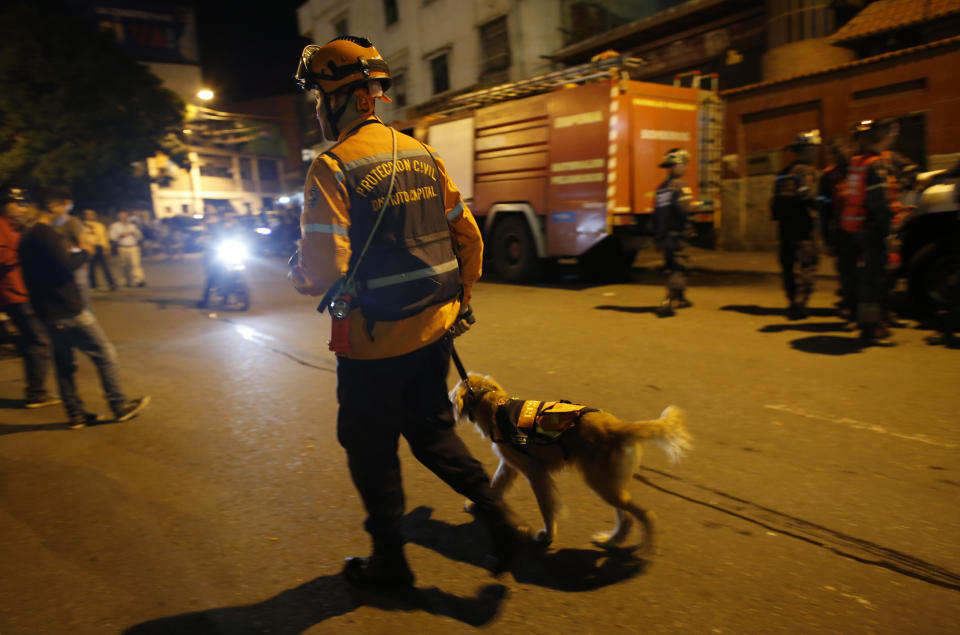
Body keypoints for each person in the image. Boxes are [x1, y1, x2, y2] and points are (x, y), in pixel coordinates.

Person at [289, 36, 520, 588]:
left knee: (369, 448)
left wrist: (297, 272)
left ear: (340, 98)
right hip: (432, 334)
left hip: (372, 347)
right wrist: (462, 300)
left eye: (318, 97)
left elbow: (322, 271)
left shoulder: (332, 167)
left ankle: (390, 566)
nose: (317, 109)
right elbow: (468, 236)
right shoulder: (422, 152)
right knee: (434, 434)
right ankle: (498, 517)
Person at [18, 190, 150, 428]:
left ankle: (75, 414)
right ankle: (119, 405)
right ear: (54, 206)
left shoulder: (26, 236)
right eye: (66, 209)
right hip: (68, 308)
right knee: (105, 353)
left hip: (46, 311)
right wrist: (85, 253)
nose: (67, 215)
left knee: (64, 364)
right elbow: (66, 265)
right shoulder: (45, 233)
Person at [841, 119, 900, 344]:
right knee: (875, 280)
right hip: (872, 229)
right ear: (885, 136)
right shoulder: (876, 164)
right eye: (892, 133)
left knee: (868, 279)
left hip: (858, 227)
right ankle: (871, 328)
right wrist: (890, 235)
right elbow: (879, 204)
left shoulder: (859, 161)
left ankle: (870, 324)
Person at [0, 185, 59, 409]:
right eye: (17, 204)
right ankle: (36, 393)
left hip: (24, 291)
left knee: (29, 341)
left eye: (24, 204)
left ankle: (35, 389)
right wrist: (25, 251)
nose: (22, 209)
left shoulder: (16, 228)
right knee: (39, 340)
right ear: (5, 205)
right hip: (14, 294)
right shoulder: (2, 227)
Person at [771, 130, 821, 319]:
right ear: (805, 150)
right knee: (807, 265)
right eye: (813, 149)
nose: (815, 153)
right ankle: (800, 302)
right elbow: (811, 197)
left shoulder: (782, 174)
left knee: (788, 267)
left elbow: (775, 203)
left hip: (785, 229)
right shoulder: (807, 172)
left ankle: (792, 300)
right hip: (803, 229)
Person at [818, 136, 857, 325]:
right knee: (846, 273)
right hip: (842, 233)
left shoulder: (861, 170)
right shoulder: (828, 176)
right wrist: (826, 237)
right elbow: (824, 210)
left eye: (841, 149)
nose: (838, 155)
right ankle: (849, 307)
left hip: (864, 231)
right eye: (834, 153)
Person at [651, 148, 694, 317]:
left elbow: (656, 214)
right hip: (678, 234)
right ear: (675, 166)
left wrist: (657, 238)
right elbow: (684, 210)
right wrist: (695, 207)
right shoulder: (680, 186)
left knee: (674, 264)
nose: (685, 168)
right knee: (680, 267)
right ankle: (668, 301)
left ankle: (681, 298)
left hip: (665, 235)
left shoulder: (661, 188)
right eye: (683, 164)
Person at [197, 209, 243, 308]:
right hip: (216, 252)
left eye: (229, 215)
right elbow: (206, 237)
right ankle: (204, 300)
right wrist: (204, 241)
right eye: (225, 215)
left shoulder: (234, 226)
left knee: (239, 269)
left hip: (232, 251)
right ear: (221, 216)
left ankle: (233, 292)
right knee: (212, 276)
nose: (227, 217)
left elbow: (241, 236)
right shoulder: (213, 226)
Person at [82, 209, 117, 290]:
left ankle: (112, 284)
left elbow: (104, 238)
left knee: (105, 266)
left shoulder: (100, 226)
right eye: (87, 214)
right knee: (91, 267)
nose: (89, 216)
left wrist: (107, 249)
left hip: (99, 247)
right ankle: (93, 284)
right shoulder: (82, 226)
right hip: (89, 247)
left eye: (91, 214)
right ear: (84, 216)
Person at [108, 211, 145, 287]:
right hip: (122, 247)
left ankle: (139, 280)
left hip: (133, 246)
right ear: (118, 217)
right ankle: (127, 281)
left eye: (125, 216)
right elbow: (111, 237)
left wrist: (135, 234)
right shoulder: (115, 226)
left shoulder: (132, 226)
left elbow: (140, 236)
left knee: (135, 264)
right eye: (121, 216)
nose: (123, 218)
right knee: (124, 265)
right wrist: (121, 235)